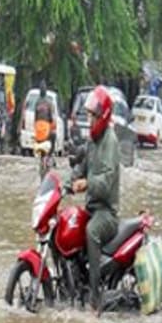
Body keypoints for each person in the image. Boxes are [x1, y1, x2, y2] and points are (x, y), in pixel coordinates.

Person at [69, 85, 120, 311]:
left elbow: (107, 180)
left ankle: (95, 295)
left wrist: (87, 184)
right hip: (91, 208)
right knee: (70, 223)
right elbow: (80, 168)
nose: (89, 120)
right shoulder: (92, 142)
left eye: (92, 116)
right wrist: (67, 183)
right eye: (88, 115)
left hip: (106, 213)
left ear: (102, 116)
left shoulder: (110, 141)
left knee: (91, 231)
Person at [34, 97, 55, 179]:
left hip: (38, 130)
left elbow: (35, 118)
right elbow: (51, 118)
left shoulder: (37, 103)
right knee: (53, 136)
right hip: (46, 129)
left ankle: (43, 159)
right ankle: (49, 156)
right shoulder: (48, 103)